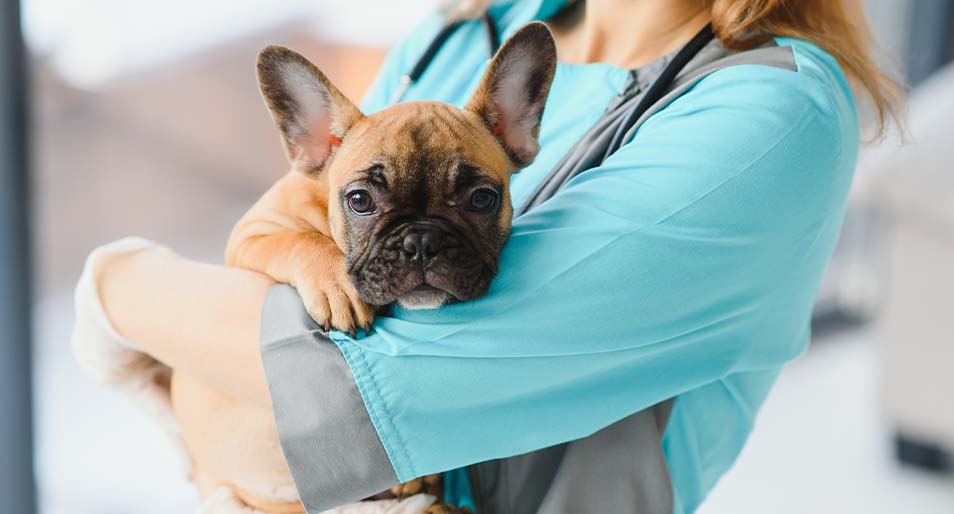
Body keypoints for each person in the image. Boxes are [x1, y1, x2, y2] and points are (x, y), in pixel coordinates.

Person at [80, 0, 902, 513]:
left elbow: (360, 381)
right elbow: (278, 242)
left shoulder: (768, 106)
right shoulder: (459, 32)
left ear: (518, 133)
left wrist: (120, 286)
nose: (424, 243)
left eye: (477, 198)